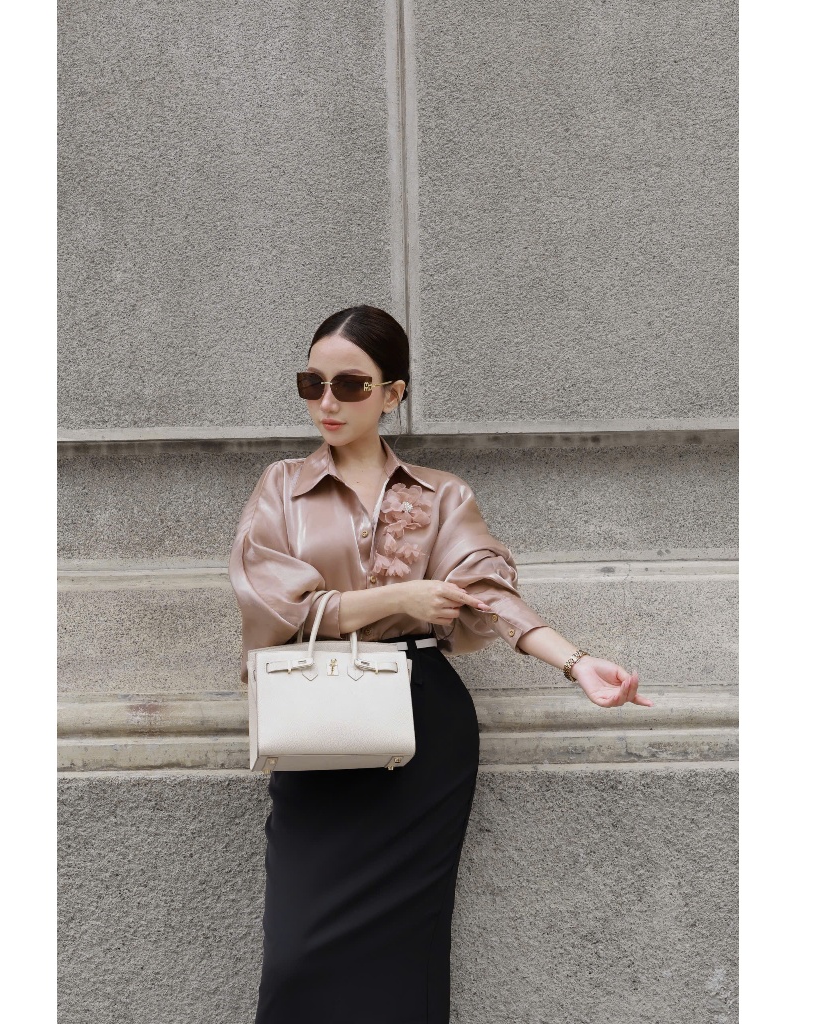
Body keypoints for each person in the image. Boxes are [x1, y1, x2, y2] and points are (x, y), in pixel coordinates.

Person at [229, 304, 651, 1024]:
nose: (327, 402)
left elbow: (489, 594)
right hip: (316, 719)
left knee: (406, 951)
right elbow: (273, 603)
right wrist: (398, 597)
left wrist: (574, 662)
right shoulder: (282, 487)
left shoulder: (441, 493)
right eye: (312, 383)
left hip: (423, 725)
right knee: (296, 953)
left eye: (350, 385)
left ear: (393, 393)